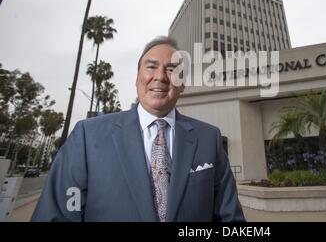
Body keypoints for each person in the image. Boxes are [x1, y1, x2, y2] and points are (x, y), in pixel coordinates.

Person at [32, 36, 245, 222]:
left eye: (171, 70)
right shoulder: (87, 137)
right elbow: (59, 213)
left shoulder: (209, 138)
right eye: (151, 67)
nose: (160, 76)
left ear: (182, 84)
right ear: (137, 78)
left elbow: (229, 217)